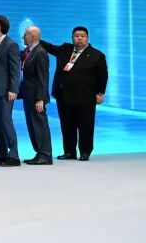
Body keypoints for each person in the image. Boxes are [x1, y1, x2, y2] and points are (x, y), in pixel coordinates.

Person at [40, 27, 108, 161]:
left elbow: (103, 76)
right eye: (76, 36)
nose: (79, 38)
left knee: (86, 125)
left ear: (87, 38)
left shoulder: (97, 55)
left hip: (86, 97)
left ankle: (85, 151)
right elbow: (50, 47)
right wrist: (36, 38)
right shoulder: (65, 49)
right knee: (67, 125)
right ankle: (69, 151)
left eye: (83, 36)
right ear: (72, 38)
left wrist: (100, 93)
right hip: (64, 95)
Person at [0, 15, 21, 167]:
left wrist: (13, 89)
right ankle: (1, 154)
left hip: (6, 91)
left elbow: (15, 70)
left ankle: (14, 156)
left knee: (6, 121)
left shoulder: (11, 45)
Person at [19, 26, 53, 165]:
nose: (23, 37)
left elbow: (43, 77)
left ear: (32, 37)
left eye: (25, 35)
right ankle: (39, 153)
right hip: (28, 95)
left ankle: (45, 155)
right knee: (32, 124)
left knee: (39, 124)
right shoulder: (28, 51)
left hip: (36, 97)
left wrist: (41, 99)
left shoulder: (40, 52)